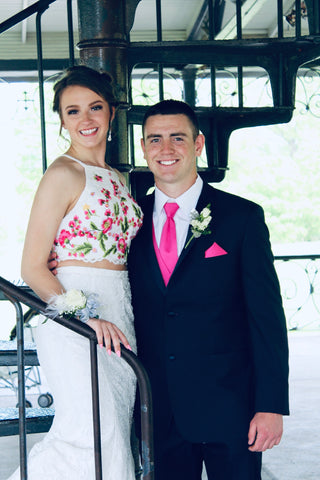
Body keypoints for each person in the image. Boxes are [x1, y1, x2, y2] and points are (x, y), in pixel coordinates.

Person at [127, 99, 289, 480]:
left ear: (198, 144)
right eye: (155, 139)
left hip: (232, 408)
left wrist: (271, 406)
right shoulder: (129, 220)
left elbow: (266, 319)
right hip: (158, 409)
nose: (166, 150)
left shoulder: (242, 217)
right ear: (144, 147)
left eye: (177, 138)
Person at [9, 65, 143, 480]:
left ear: (112, 113)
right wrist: (85, 316)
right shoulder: (61, 174)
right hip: (75, 317)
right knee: (89, 434)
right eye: (72, 111)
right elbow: (32, 266)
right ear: (62, 119)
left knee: (115, 434)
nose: (85, 120)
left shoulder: (120, 178)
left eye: (95, 107)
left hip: (120, 314)